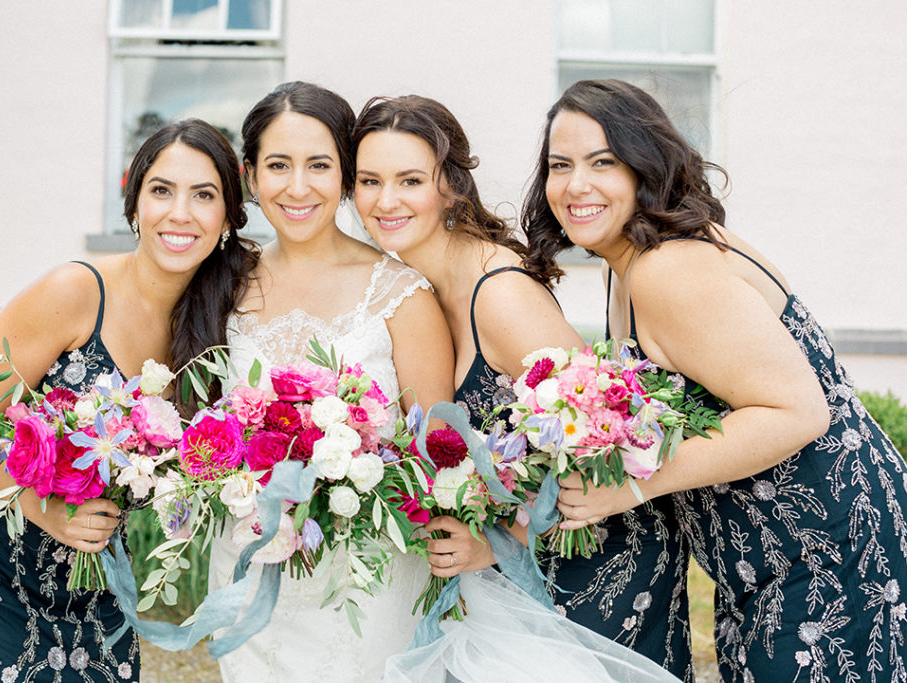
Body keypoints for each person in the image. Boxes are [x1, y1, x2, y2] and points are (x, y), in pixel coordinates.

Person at [525, 78, 907, 683]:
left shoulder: (667, 269)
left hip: (829, 552)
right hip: (770, 559)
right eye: (560, 165)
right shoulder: (633, 262)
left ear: (645, 167)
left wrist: (629, 485)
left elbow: (798, 412)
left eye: (604, 162)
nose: (576, 185)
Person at [0, 118, 256, 682]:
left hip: (93, 587)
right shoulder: (74, 293)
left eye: (204, 195)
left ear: (226, 219)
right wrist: (48, 511)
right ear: (134, 204)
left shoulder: (220, 327)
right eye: (161, 190)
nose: (180, 212)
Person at [352, 94, 681, 683]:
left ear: (450, 186)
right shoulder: (414, 288)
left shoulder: (498, 293)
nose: (386, 200)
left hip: (595, 572)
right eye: (369, 180)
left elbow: (608, 436)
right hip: (516, 580)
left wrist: (502, 539)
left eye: (409, 180)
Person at [206, 81, 454, 682]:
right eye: (278, 165)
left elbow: (441, 454)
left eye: (319, 165)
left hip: (367, 576)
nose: (297, 187)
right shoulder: (219, 286)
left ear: (346, 176)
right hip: (250, 564)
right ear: (250, 174)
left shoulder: (399, 294)